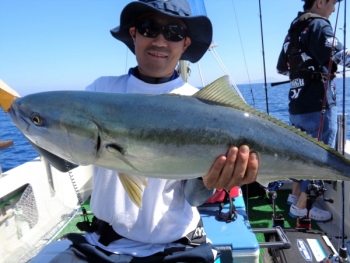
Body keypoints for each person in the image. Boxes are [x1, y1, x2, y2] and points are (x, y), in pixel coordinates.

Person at [31, 1, 259, 262]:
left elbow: (193, 198)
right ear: (134, 34)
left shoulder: (201, 103)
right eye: (149, 28)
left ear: (185, 44)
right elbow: (64, 161)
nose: (161, 41)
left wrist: (212, 180)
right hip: (102, 242)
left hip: (179, 247)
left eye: (174, 32)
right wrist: (32, 124)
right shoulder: (101, 91)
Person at [277, 0, 350, 222]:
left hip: (296, 104)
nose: (334, 9)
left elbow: (282, 68)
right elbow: (342, 56)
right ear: (320, 2)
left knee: (301, 154)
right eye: (333, 3)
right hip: (317, 103)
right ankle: (302, 207)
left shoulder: (294, 29)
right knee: (319, 157)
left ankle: (294, 195)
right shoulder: (319, 25)